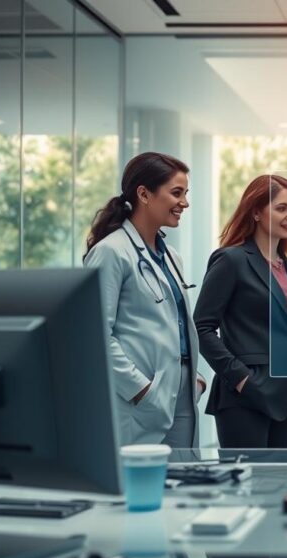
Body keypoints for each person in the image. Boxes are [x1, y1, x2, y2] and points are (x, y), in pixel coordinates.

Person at [84, 152, 205, 448]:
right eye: (176, 193)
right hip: (139, 396)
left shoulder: (171, 256)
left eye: (185, 194)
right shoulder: (111, 252)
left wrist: (195, 378)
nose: (184, 203)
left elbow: (174, 324)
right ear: (144, 194)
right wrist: (140, 389)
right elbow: (94, 334)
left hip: (182, 392)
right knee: (140, 482)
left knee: (184, 481)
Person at [194, 175, 287, 449]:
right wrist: (240, 378)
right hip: (246, 395)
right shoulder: (231, 260)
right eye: (281, 208)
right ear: (257, 212)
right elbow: (201, 328)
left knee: (277, 483)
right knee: (245, 486)